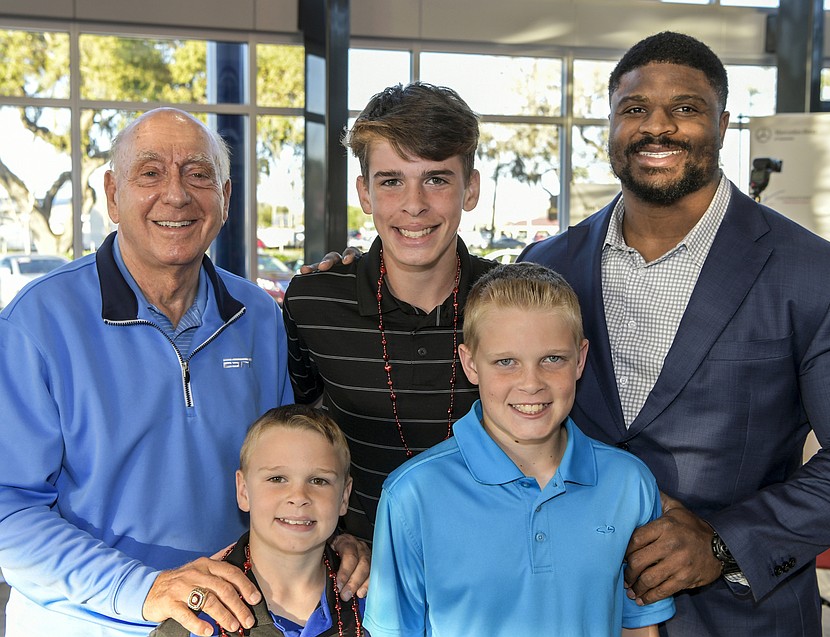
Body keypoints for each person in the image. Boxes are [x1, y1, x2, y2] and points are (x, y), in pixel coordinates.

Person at [520, 31, 830, 636]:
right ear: (611, 126)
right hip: (567, 605)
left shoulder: (817, 274)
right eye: (635, 109)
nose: (658, 126)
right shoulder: (547, 266)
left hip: (740, 616)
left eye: (686, 109)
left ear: (723, 125)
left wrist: (723, 542)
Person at [0, 107, 368, 637]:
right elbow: (9, 509)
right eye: (150, 173)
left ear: (224, 197)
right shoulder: (36, 323)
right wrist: (145, 589)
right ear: (111, 195)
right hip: (86, 624)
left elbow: (287, 470)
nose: (176, 194)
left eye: (198, 175)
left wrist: (331, 536)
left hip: (232, 620)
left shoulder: (258, 316)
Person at [363, 262, 675, 636]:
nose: (531, 383)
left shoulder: (628, 483)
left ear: (580, 359)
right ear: (470, 364)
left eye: (552, 359)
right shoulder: (412, 495)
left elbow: (638, 627)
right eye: (506, 362)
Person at [283, 82, 497, 541]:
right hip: (361, 575)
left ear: (471, 188)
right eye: (391, 180)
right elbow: (297, 440)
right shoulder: (313, 302)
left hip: (492, 565)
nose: (414, 205)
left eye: (436, 179)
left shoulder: (509, 303)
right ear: (365, 194)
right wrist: (331, 533)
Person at [150, 405, 367, 637]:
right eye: (277, 478)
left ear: (344, 496)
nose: (299, 497)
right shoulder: (196, 621)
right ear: (243, 491)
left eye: (318, 481)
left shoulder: (373, 601)